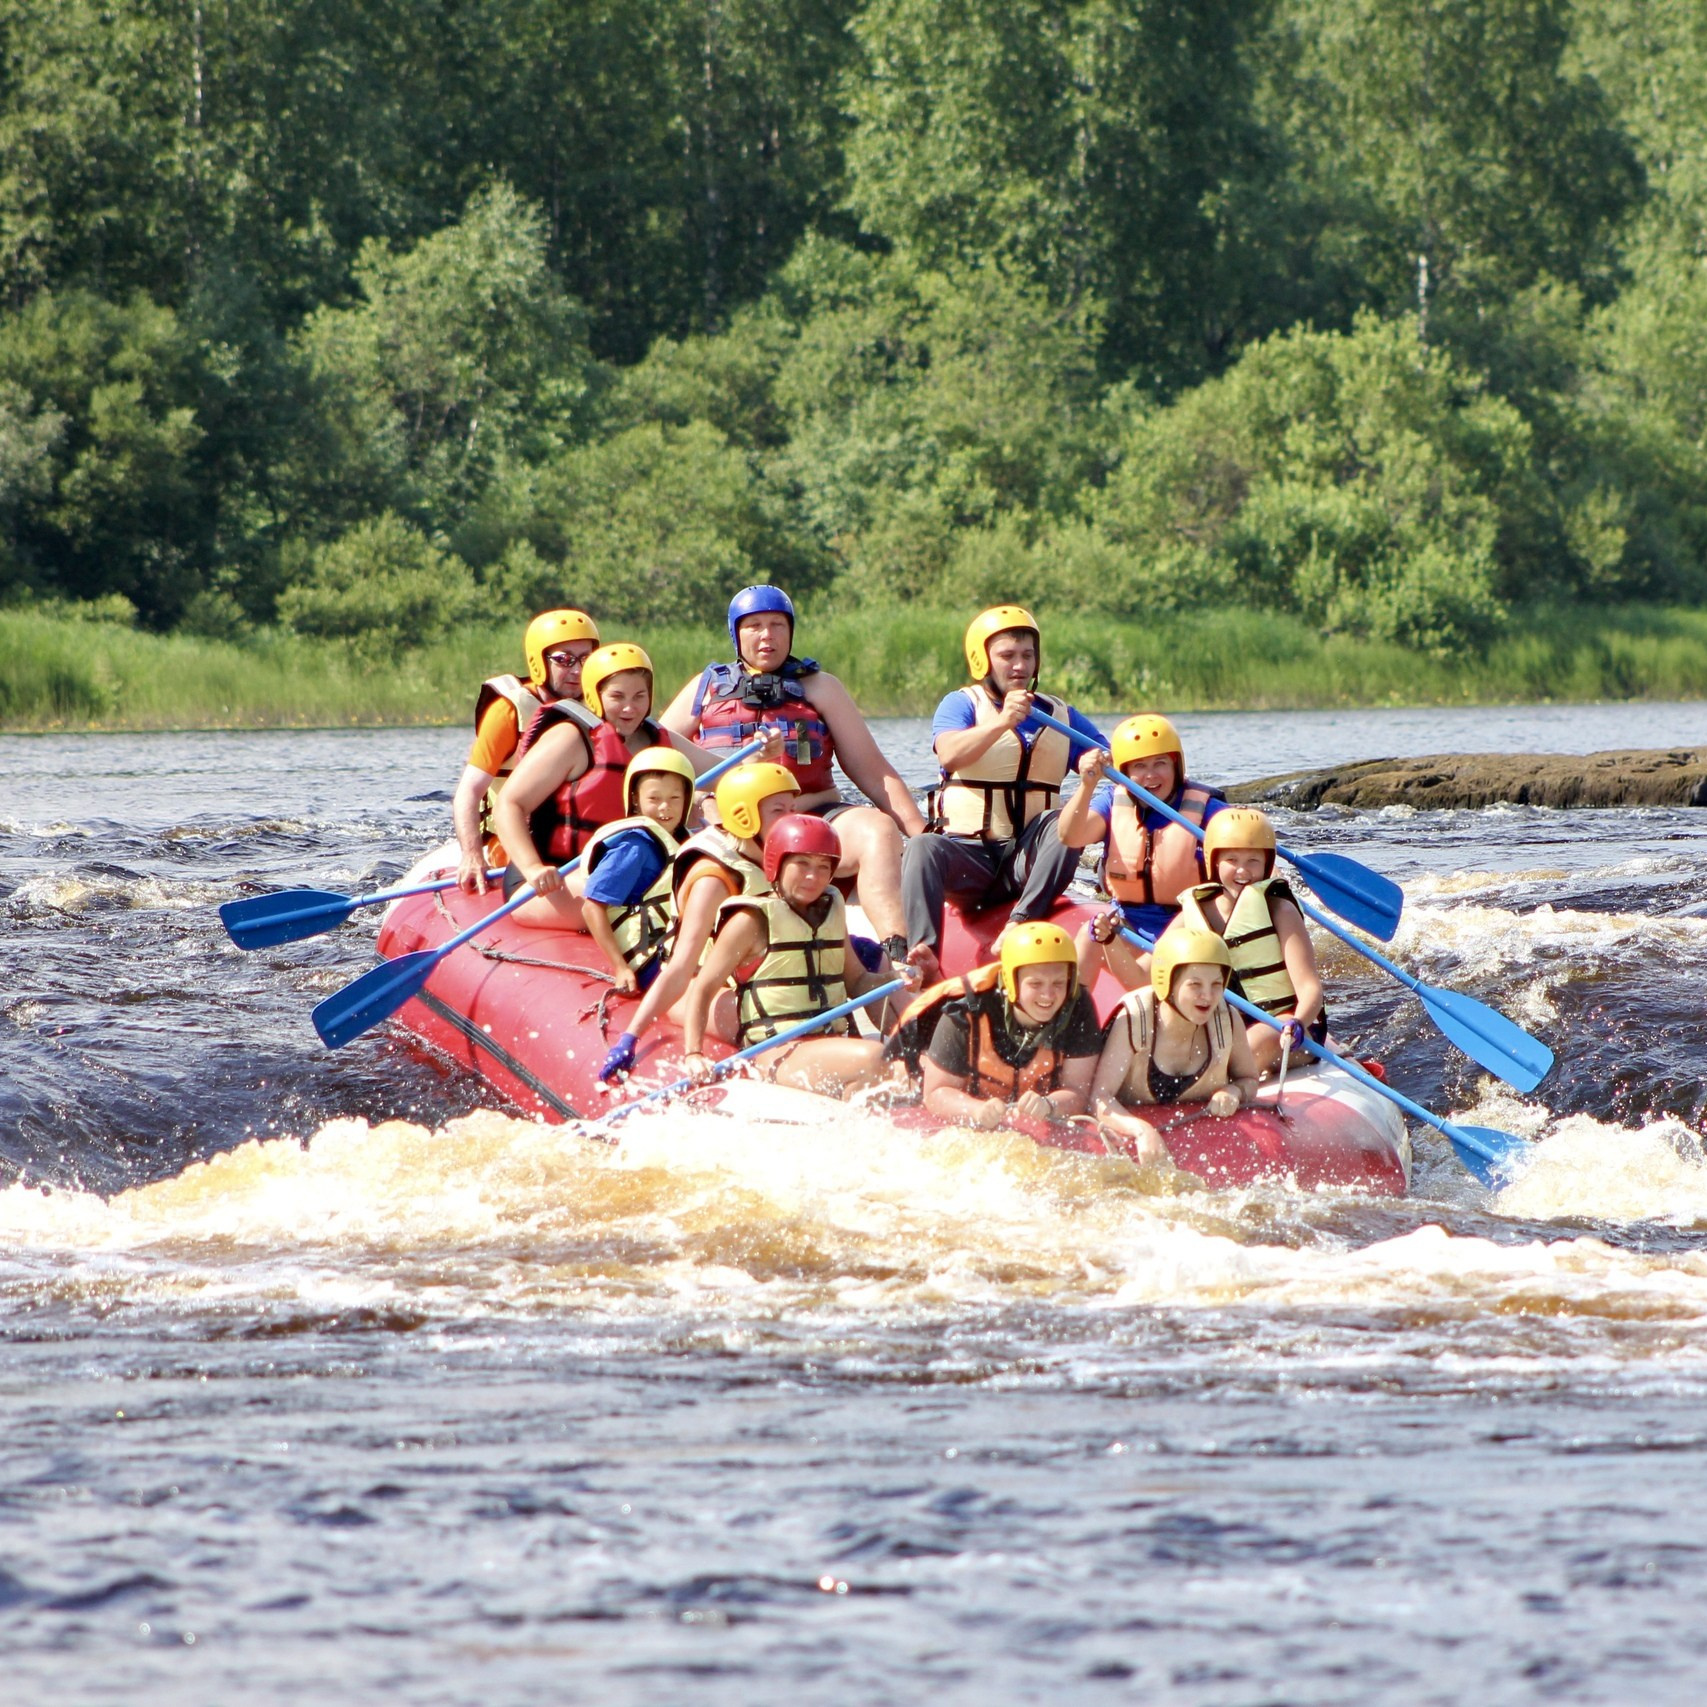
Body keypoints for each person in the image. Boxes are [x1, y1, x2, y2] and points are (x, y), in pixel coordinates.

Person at [660, 585, 924, 964]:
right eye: (754, 626)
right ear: (737, 634)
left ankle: (898, 954)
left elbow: (874, 771)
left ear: (790, 631)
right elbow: (658, 760)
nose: (767, 635)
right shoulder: (702, 690)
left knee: (879, 830)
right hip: (733, 830)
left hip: (814, 818)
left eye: (777, 625)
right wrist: (701, 803)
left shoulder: (821, 688)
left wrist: (922, 835)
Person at [902, 606, 1106, 980]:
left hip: (1025, 862)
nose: (1019, 666)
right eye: (1007, 656)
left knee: (1067, 823)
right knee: (921, 846)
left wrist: (1097, 759)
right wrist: (1002, 722)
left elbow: (1107, 755)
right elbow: (949, 752)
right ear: (983, 660)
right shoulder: (961, 704)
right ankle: (925, 956)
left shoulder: (1061, 715)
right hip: (971, 862)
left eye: (1027, 655)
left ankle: (1020, 920)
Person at [598, 761, 801, 1083]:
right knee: (780, 1015)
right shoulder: (714, 879)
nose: (791, 820)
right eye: (779, 810)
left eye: (793, 808)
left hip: (761, 974)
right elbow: (680, 967)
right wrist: (630, 1037)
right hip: (697, 990)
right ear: (744, 816)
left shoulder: (782, 857)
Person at [680, 814, 902, 1097]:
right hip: (778, 1050)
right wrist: (693, 1053)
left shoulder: (830, 911)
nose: (813, 876)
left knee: (908, 1059)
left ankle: (857, 1109)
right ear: (776, 863)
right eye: (802, 864)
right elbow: (703, 988)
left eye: (824, 866)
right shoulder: (750, 921)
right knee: (877, 1057)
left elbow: (857, 981)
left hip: (828, 1042)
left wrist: (896, 978)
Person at [491, 643, 709, 929]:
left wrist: (764, 752)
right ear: (595, 695)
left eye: (639, 696)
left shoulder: (657, 739)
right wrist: (532, 867)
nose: (630, 707)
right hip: (553, 878)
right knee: (620, 891)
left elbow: (727, 770)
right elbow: (509, 804)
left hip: (626, 869)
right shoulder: (571, 739)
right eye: (617, 696)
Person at [1059, 712, 1227, 993]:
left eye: (1160, 763)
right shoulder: (1114, 801)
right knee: (1089, 938)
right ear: (1125, 773)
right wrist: (1087, 785)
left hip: (1186, 925)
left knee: (1150, 971)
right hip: (1131, 923)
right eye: (1139, 766)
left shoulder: (1208, 809)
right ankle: (1071, 1024)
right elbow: (1070, 835)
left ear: (1176, 766)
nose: (1150, 775)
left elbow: (1249, 847)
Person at [886, 921, 1103, 1131]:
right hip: (942, 1083)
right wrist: (976, 1111)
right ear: (1011, 982)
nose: (1048, 995)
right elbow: (935, 1093)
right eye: (1035, 984)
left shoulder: (1077, 1007)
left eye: (1058, 983)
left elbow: (1077, 1091)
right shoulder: (966, 1010)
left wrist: (1050, 1105)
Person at [453, 608, 599, 894]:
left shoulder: (602, 707)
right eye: (565, 660)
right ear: (539, 662)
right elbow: (468, 792)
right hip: (512, 841)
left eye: (586, 659)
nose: (578, 670)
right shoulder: (508, 711)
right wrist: (472, 855)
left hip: (576, 836)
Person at [1173, 807, 1326, 1077]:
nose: (1243, 871)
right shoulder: (1191, 915)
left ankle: (1221, 1083)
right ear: (1214, 862)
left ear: (1267, 865)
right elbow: (1142, 974)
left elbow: (1310, 988)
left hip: (1285, 1029)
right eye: (1231, 859)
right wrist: (1110, 939)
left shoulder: (1281, 911)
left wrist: (1298, 1022)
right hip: (1224, 1028)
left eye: (1253, 861)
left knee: (1254, 1044)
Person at [1090, 928, 1260, 1165]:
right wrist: (1141, 1130)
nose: (1208, 996)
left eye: (1216, 984)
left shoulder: (1228, 1020)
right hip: (1127, 1140)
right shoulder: (1134, 1018)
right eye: (1195, 985)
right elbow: (1099, 1097)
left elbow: (1249, 1080)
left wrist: (1234, 1091)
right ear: (1166, 982)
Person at [578, 748, 697, 994]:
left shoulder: (687, 841)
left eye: (675, 798)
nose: (665, 808)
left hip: (681, 946)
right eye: (654, 799)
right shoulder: (633, 847)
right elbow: (591, 908)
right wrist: (620, 968)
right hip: (652, 958)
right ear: (635, 799)